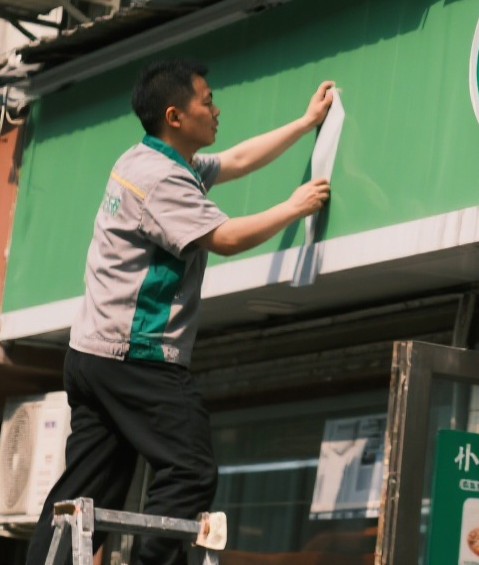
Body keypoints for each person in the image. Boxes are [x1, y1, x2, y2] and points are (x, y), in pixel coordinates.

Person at [27, 58, 335, 565]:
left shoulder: (146, 160)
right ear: (175, 115)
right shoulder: (162, 179)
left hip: (92, 355)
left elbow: (236, 159)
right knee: (189, 468)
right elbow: (226, 238)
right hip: (135, 355)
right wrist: (294, 206)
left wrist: (305, 124)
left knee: (89, 489)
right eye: (207, 101)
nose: (217, 110)